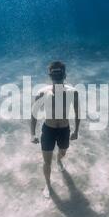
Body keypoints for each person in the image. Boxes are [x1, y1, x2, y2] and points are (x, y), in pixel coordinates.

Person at [31, 61, 80, 198]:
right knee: (47, 161)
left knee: (63, 152)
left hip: (64, 130)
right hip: (48, 130)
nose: (57, 77)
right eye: (54, 74)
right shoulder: (42, 93)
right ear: (50, 76)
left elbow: (77, 113)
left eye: (59, 74)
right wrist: (32, 134)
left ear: (64, 75)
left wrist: (76, 131)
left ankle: (59, 159)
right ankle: (48, 184)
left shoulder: (73, 92)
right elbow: (34, 114)